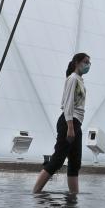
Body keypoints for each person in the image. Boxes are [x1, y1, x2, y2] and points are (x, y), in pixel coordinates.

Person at [33, 53, 90, 195]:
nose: (88, 65)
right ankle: (35, 192)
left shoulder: (80, 80)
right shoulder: (72, 79)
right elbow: (68, 104)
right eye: (85, 62)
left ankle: (73, 196)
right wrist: (70, 127)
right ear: (76, 62)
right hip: (69, 122)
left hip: (76, 123)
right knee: (58, 159)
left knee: (75, 163)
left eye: (89, 63)